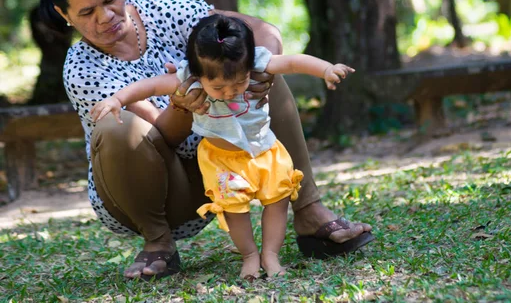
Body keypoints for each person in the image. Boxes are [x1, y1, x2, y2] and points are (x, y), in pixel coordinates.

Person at [40, 0, 374, 281]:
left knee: (268, 76)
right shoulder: (82, 69)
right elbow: (160, 137)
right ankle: (158, 242)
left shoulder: (168, 12)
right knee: (117, 127)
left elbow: (262, 30)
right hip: (153, 187)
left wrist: (261, 68)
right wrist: (182, 106)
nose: (106, 17)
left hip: (225, 165)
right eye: (86, 12)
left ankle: (308, 210)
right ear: (64, 14)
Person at [91, 14, 355, 280]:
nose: (230, 92)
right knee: (235, 211)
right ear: (197, 74)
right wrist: (117, 99)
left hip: (265, 151)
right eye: (218, 87)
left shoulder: (255, 62)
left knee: (277, 202)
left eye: (239, 83)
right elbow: (150, 86)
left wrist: (325, 69)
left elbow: (293, 62)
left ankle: (271, 256)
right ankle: (250, 257)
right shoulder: (189, 79)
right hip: (222, 161)